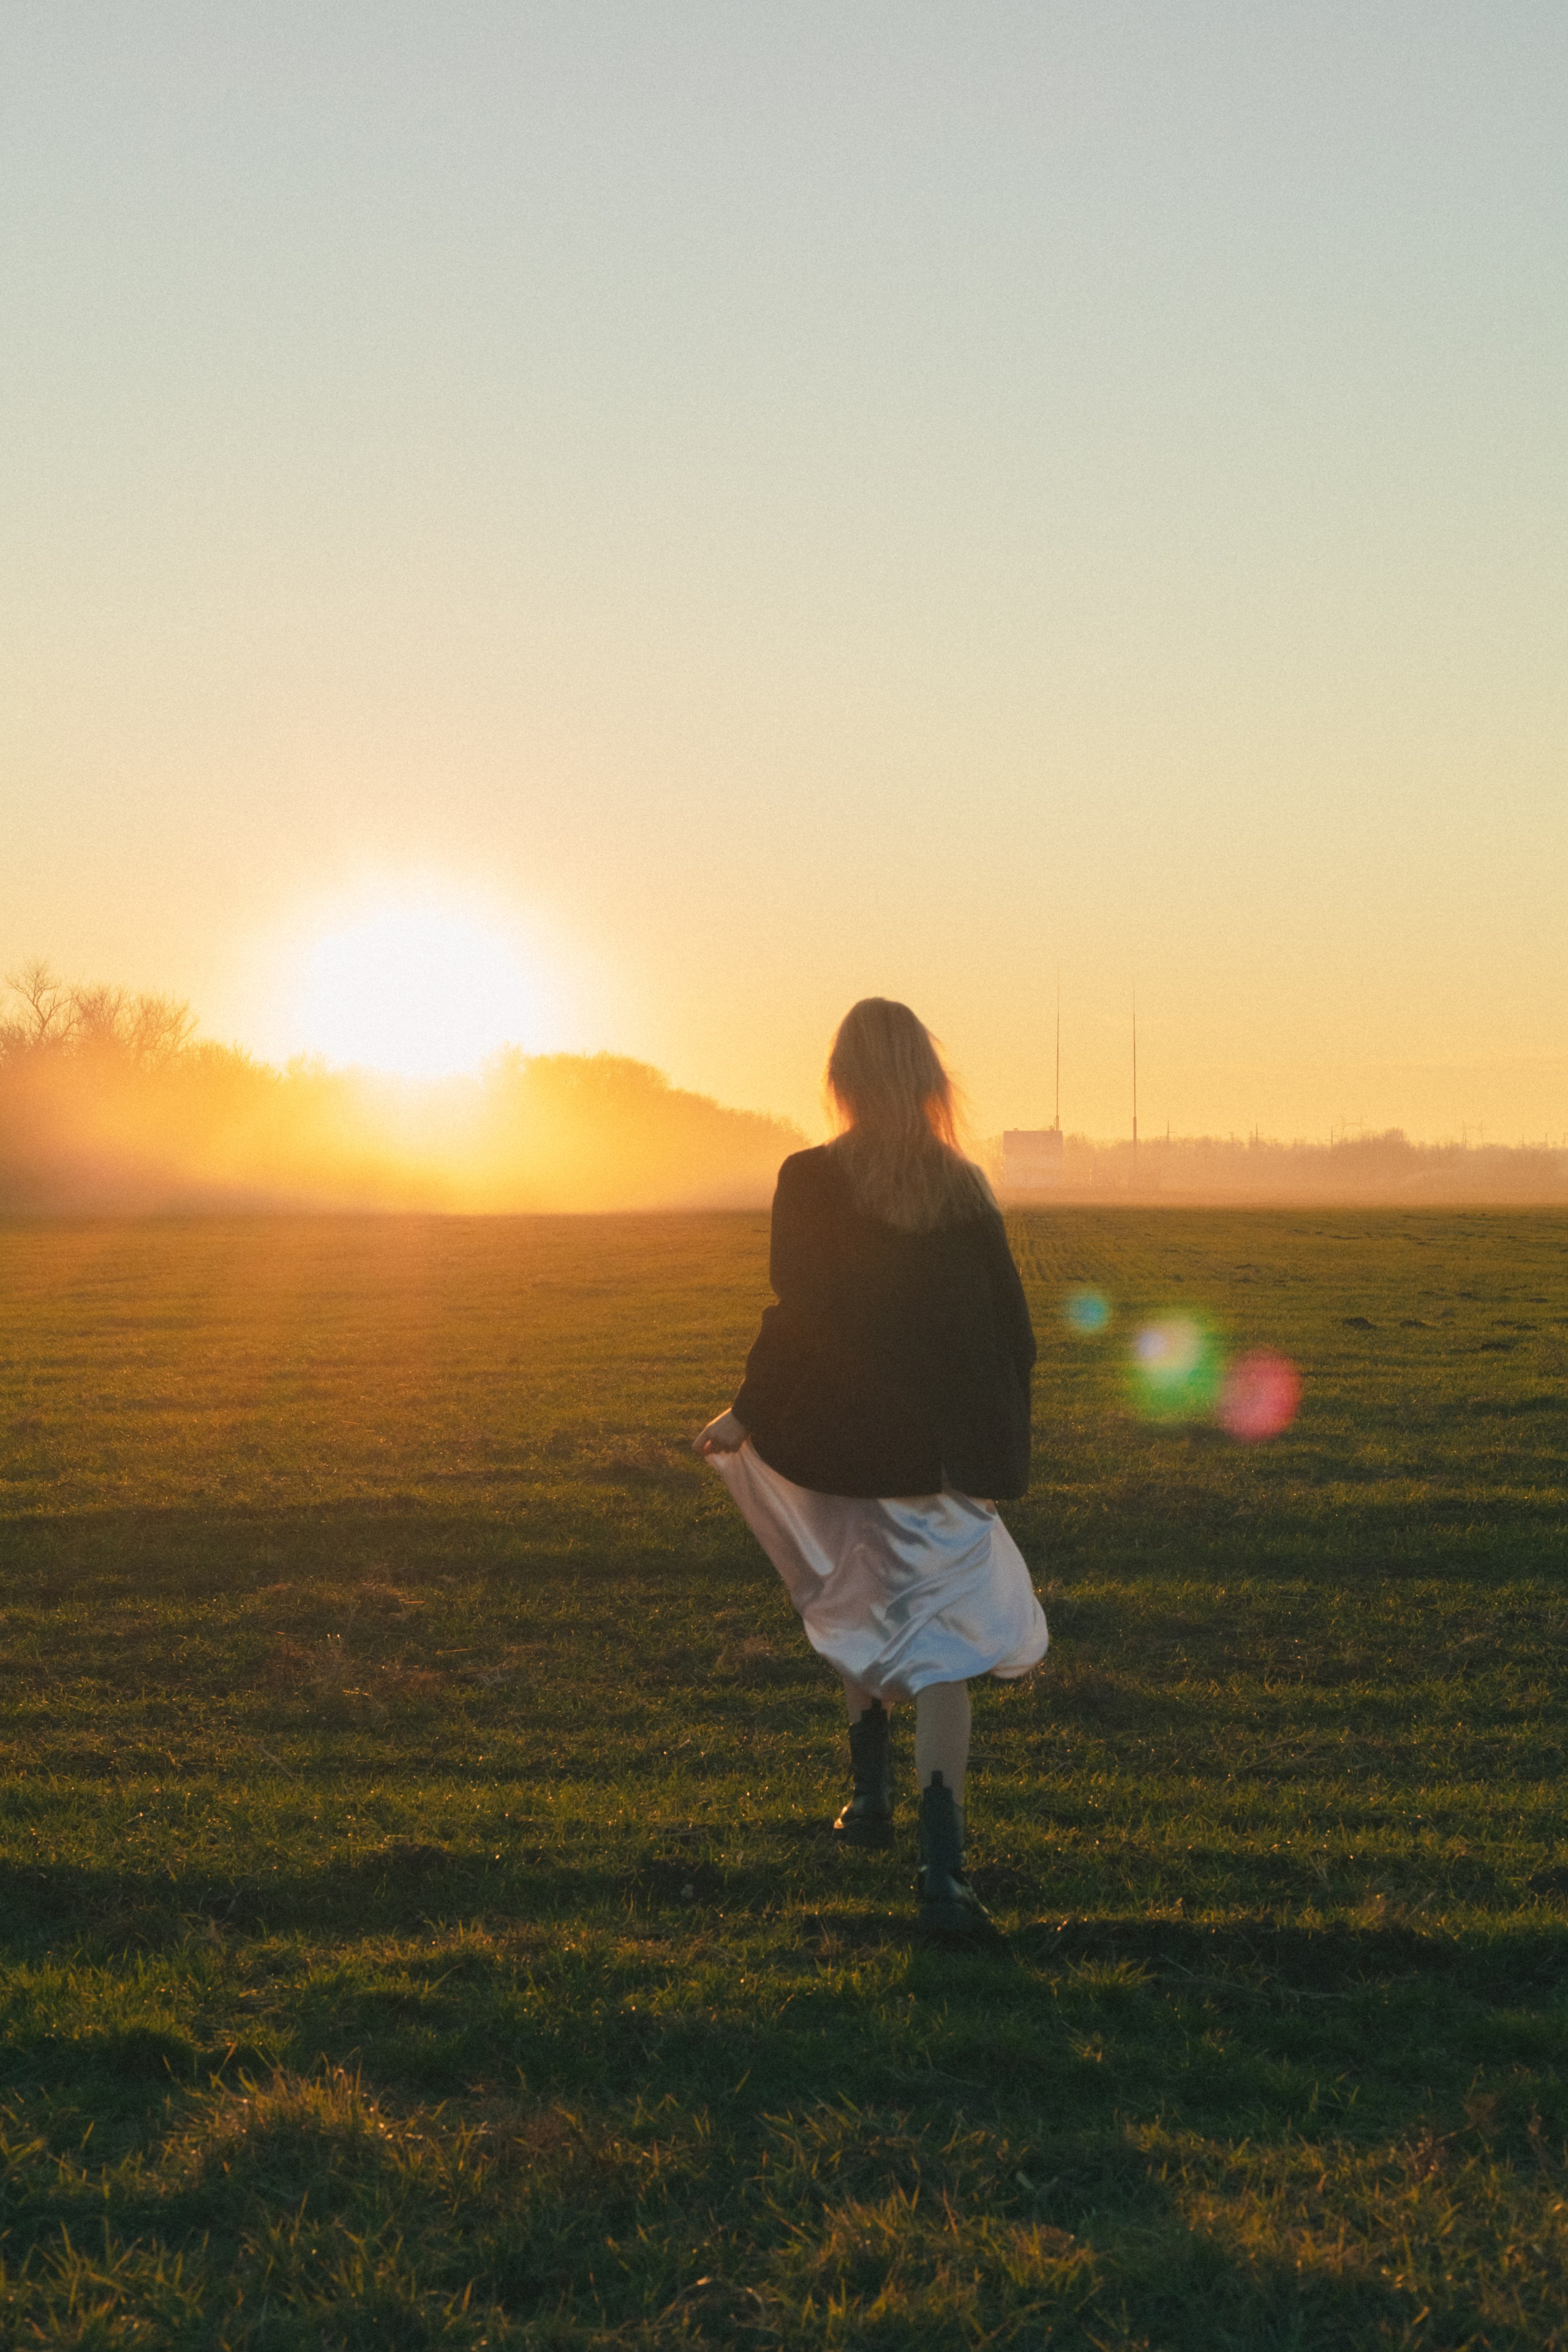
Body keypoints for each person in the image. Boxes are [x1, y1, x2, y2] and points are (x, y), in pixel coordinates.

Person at [694, 997, 1047, 1940]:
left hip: (839, 1446)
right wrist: (995, 1442)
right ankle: (942, 1870)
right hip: (935, 1461)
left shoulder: (809, 1180)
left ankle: (869, 1799)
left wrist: (749, 1414)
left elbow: (796, 1314)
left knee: (853, 1594)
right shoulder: (962, 1189)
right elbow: (1013, 1334)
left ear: (842, 1079)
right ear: (927, 1077)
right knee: (945, 1651)